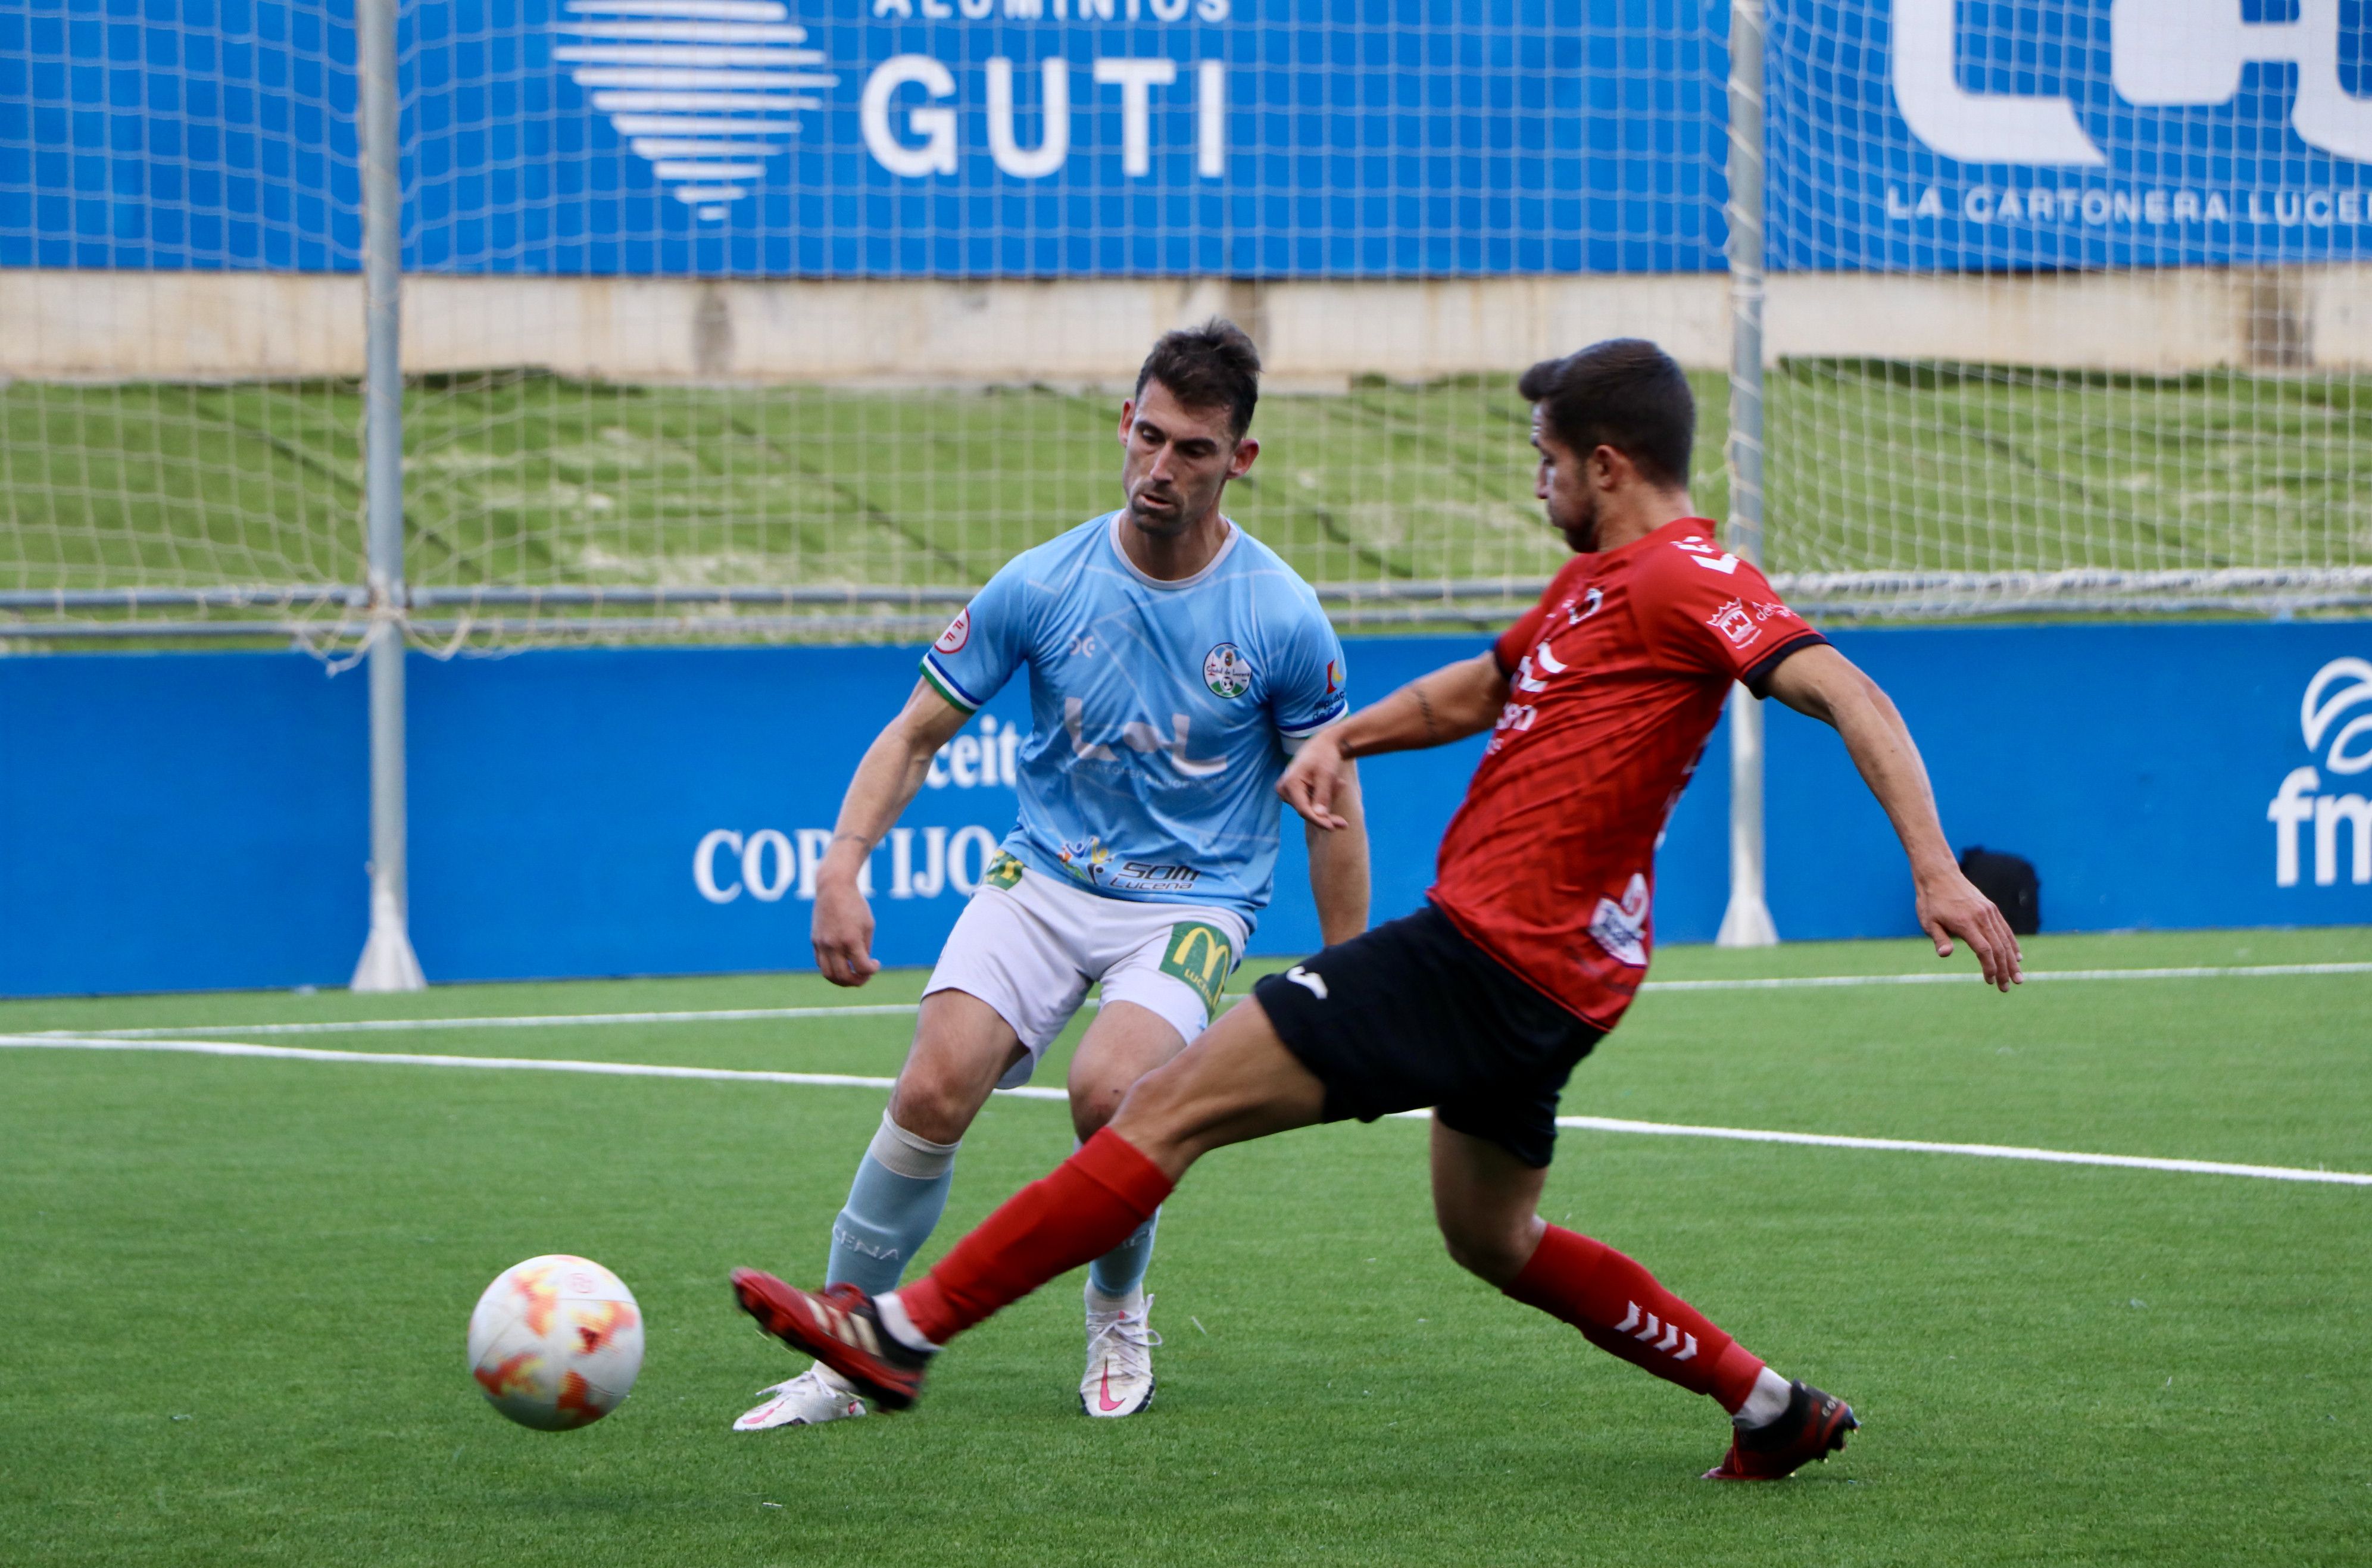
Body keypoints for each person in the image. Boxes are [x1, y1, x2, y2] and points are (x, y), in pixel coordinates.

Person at [731, 338, 2023, 1479]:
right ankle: (1767, 1401)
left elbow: (1848, 688)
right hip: (1556, 984)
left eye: (1548, 460)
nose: (1538, 481)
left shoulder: (1689, 578)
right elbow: (1480, 689)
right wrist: (1345, 737)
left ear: (1611, 464)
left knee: (1149, 1102)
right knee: (1494, 1236)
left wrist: (1934, 864)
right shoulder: (1593, 591)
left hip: (1483, 953)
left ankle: (897, 1330)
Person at [732, 320, 1371, 1430]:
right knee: (934, 1086)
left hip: (1193, 899)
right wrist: (842, 865)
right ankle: (844, 1345)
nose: (1160, 470)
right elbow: (915, 735)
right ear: (1125, 423)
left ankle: (1118, 1308)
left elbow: (1331, 798)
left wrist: (1351, 973)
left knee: (1111, 1097)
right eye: (1149, 437)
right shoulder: (1043, 581)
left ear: (1242, 462)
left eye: (1195, 452)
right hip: (1044, 877)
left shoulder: (1280, 614)